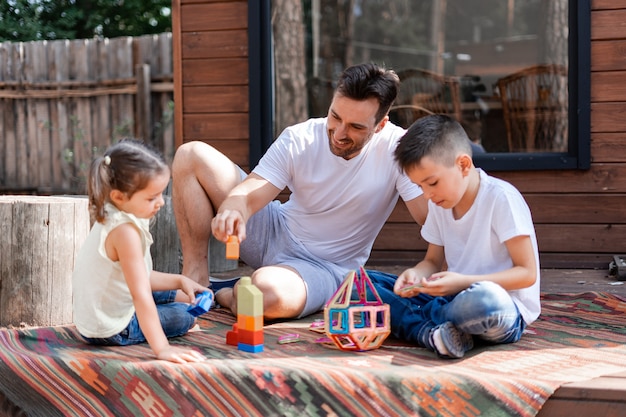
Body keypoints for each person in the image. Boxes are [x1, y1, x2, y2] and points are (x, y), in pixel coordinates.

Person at [171, 63, 428, 320]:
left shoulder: (399, 151)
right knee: (190, 155)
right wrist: (233, 208)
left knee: (262, 297)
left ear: (381, 125)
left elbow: (430, 218)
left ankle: (226, 294)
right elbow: (251, 191)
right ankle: (196, 278)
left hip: (324, 268)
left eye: (355, 127)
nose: (339, 133)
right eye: (335, 116)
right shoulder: (299, 137)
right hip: (275, 229)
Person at [368, 114, 540, 359]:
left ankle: (422, 325)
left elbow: (527, 274)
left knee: (484, 300)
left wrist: (462, 282)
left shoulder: (501, 198)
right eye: (420, 187)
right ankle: (435, 333)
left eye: (432, 183)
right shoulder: (440, 204)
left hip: (499, 310)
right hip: (452, 297)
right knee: (359, 283)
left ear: (463, 165)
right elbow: (432, 261)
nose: (427, 195)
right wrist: (416, 275)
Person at [72, 139, 209, 364]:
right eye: (151, 197)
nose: (161, 203)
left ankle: (177, 299)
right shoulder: (124, 231)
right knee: (186, 316)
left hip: (104, 306)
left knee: (185, 295)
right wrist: (163, 349)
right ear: (119, 196)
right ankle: (171, 322)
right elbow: (141, 294)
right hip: (110, 328)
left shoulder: (118, 210)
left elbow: (139, 276)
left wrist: (179, 280)